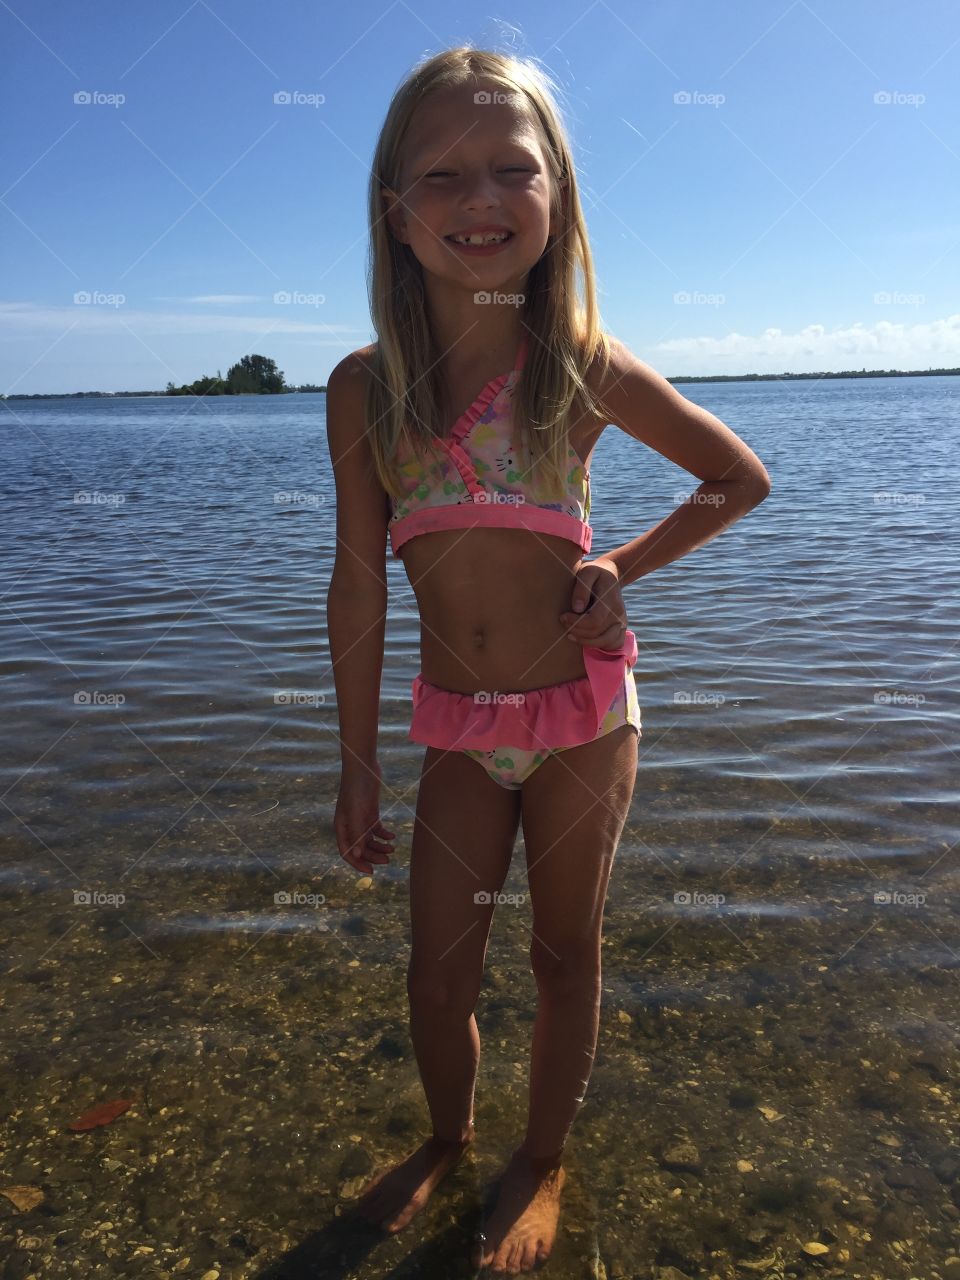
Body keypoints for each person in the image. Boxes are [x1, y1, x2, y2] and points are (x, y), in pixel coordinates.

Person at [325, 45, 771, 1274]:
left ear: (557, 196)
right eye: (443, 176)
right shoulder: (366, 389)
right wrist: (357, 755)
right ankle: (448, 1135)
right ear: (394, 212)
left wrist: (623, 564)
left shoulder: (579, 362)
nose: (479, 200)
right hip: (458, 725)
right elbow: (358, 576)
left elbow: (739, 478)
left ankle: (542, 1160)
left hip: (583, 712)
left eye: (511, 170)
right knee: (435, 963)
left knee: (565, 948)